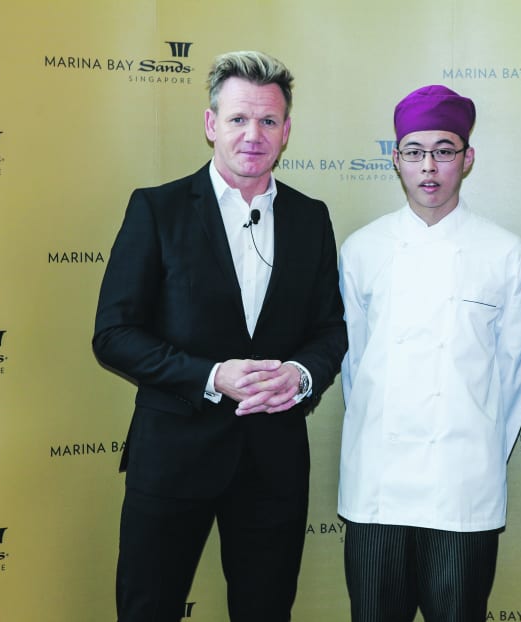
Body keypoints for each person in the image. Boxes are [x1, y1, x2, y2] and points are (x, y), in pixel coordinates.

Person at [93, 50, 347, 622]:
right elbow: (113, 333)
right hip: (172, 458)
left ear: (286, 132)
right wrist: (211, 376)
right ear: (211, 124)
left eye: (267, 121)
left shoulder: (312, 217)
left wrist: (301, 375)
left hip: (273, 464)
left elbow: (330, 327)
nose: (252, 134)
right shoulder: (157, 210)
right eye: (237, 119)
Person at [338, 85, 521, 622]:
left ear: (467, 159)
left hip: (462, 486)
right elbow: (355, 368)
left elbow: (516, 376)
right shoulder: (361, 250)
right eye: (414, 151)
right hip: (376, 484)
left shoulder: (505, 253)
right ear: (396, 158)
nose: (429, 166)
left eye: (445, 150)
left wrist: (476, 456)